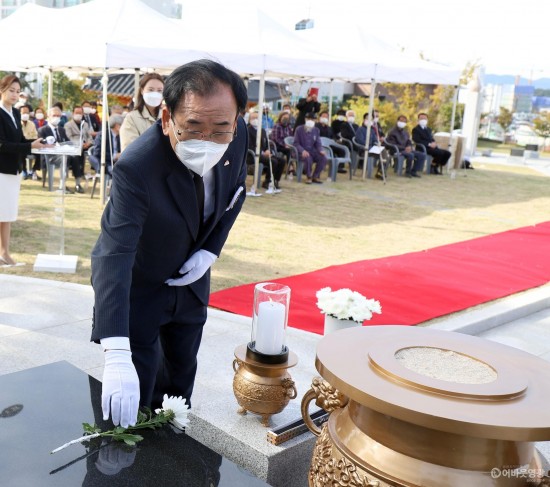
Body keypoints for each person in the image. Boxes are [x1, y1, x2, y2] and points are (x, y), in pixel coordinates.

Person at [90, 59, 248, 429]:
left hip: (191, 286)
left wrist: (211, 249)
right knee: (130, 401)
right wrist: (115, 350)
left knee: (178, 390)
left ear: (236, 119)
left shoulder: (236, 136)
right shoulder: (137, 166)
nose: (207, 141)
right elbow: (114, 251)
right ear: (166, 117)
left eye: (220, 129)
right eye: (193, 127)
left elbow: (236, 192)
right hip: (142, 289)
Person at [0, 75, 53, 266]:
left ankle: (5, 253)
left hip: (13, 169)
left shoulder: (14, 113)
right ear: (2, 90)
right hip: (1, 169)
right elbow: (2, 145)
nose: (14, 95)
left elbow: (20, 142)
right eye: (11, 91)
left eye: (17, 91)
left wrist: (36, 144)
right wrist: (29, 147)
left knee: (7, 213)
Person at [38, 106, 81, 192]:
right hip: (50, 156)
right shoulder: (42, 130)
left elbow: (68, 142)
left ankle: (77, 184)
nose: (56, 118)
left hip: (63, 154)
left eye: (58, 116)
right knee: (66, 158)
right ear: (48, 116)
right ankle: (62, 185)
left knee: (75, 157)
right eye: (54, 115)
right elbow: (41, 143)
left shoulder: (62, 130)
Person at [120, 73, 164, 151]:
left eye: (159, 90)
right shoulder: (132, 118)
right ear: (142, 90)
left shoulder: (168, 116)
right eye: (150, 90)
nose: (155, 94)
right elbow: (129, 149)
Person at [247, 111, 285, 189]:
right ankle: (267, 181)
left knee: (282, 161)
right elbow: (249, 146)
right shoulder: (248, 130)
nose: (255, 119)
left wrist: (268, 150)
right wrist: (262, 152)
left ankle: (275, 180)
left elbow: (267, 143)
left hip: (264, 154)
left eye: (257, 118)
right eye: (253, 118)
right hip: (252, 155)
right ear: (249, 119)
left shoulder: (262, 130)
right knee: (273, 161)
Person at [65, 105, 94, 192]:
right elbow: (69, 138)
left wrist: (88, 143)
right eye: (76, 113)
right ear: (73, 113)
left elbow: (90, 136)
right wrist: (80, 144)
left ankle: (83, 177)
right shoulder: (68, 125)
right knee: (76, 158)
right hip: (74, 147)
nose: (78, 114)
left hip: (86, 147)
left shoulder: (85, 124)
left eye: (80, 113)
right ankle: (78, 182)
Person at [293, 112, 327, 184]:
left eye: (312, 119)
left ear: (315, 120)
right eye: (309, 119)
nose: (310, 120)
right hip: (300, 152)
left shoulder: (316, 130)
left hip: (312, 151)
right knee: (308, 158)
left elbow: (318, 143)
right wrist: (302, 151)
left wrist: (321, 150)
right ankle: (308, 177)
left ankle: (315, 176)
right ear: (305, 119)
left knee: (323, 158)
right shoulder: (299, 129)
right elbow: (296, 143)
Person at [19, 104, 39, 180]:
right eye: (23, 113)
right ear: (19, 113)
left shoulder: (32, 124)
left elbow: (35, 136)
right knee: (21, 151)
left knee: (40, 152)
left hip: (31, 144)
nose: (25, 115)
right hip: (22, 145)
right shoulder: (17, 123)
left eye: (27, 113)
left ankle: (34, 170)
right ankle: (24, 170)